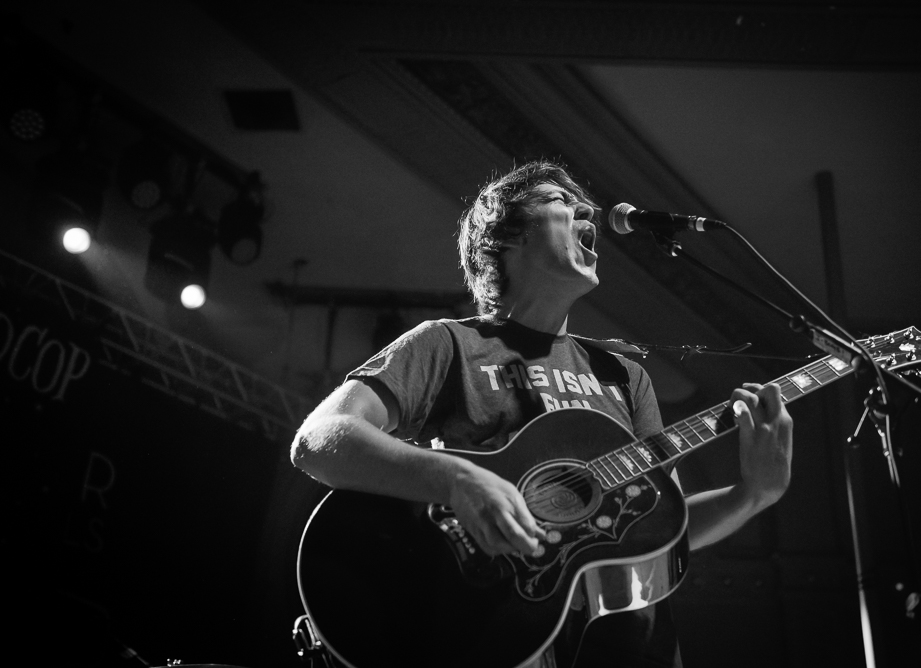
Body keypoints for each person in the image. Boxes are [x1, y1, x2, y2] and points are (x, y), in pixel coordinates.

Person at [290, 160, 793, 667]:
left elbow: (661, 530)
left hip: (632, 649)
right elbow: (318, 439)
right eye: (560, 203)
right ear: (503, 239)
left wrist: (750, 495)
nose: (587, 214)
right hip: (494, 635)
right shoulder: (448, 344)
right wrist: (456, 480)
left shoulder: (624, 377)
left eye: (583, 207)